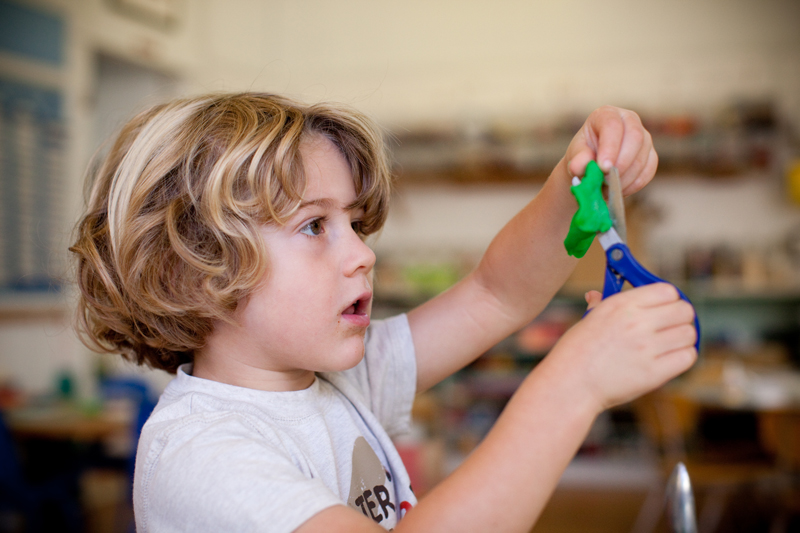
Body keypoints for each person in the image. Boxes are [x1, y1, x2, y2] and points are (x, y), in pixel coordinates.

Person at [70, 93, 697, 532]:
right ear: (195, 271)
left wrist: (572, 179)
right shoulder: (201, 455)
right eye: (315, 225)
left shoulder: (339, 378)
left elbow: (495, 294)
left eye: (355, 223)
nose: (363, 254)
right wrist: (574, 385)